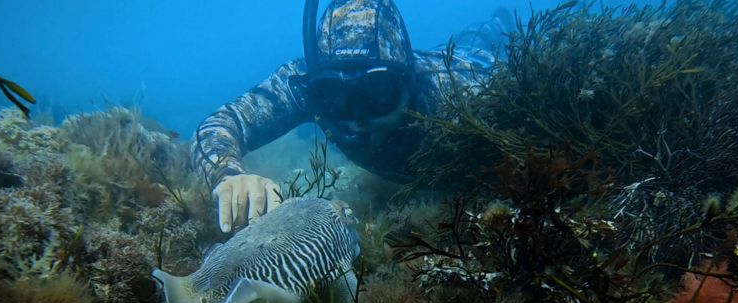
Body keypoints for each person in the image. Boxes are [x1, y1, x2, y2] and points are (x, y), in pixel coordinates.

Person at [193, 0, 512, 232]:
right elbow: (223, 123)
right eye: (337, 97)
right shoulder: (305, 84)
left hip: (473, 61)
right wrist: (227, 174)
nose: (359, 117)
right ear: (320, 89)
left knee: (478, 42)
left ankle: (495, 24)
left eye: (377, 91)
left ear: (407, 82)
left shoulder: (461, 95)